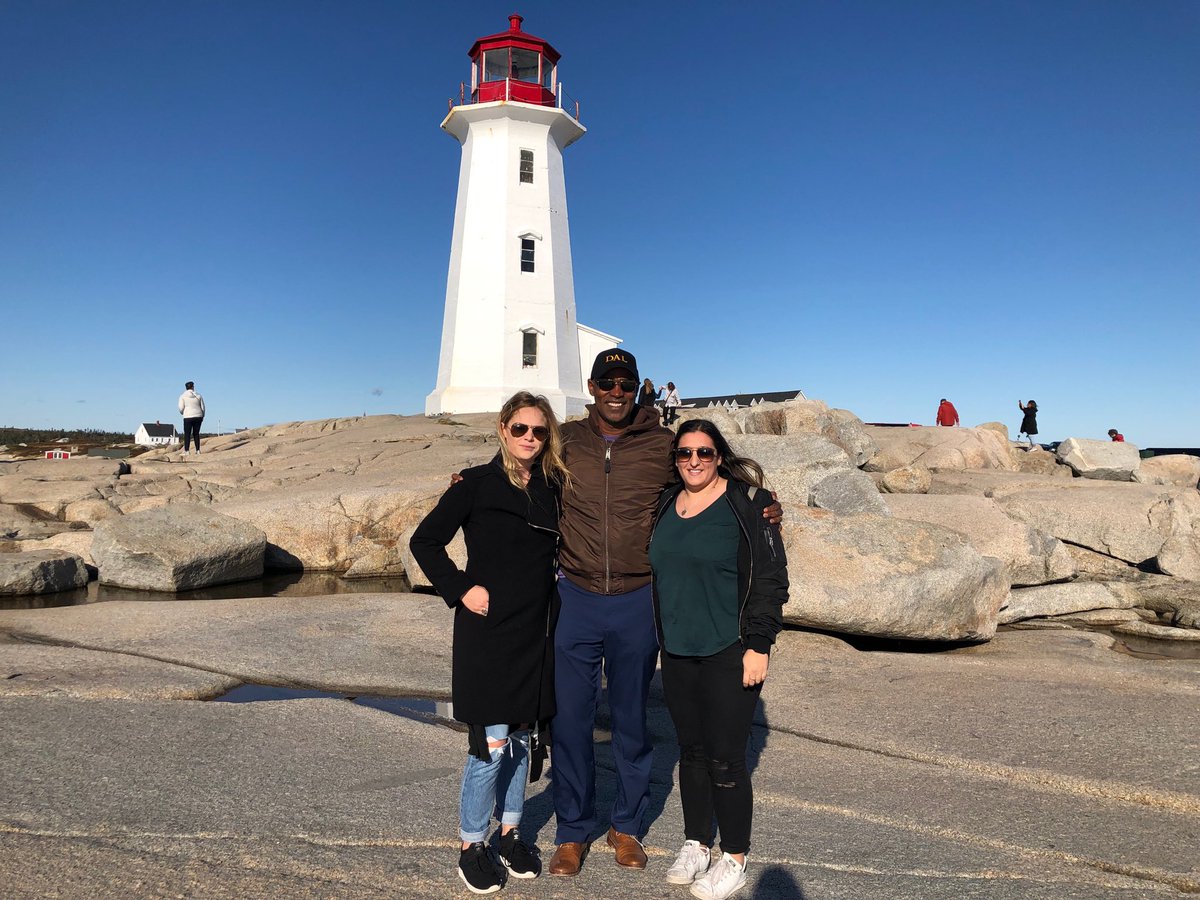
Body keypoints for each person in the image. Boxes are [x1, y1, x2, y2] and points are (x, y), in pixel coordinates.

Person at [547, 349, 780, 879]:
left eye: (625, 382)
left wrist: (763, 505)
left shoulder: (661, 444)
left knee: (630, 720)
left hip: (635, 600)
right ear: (591, 385)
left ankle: (625, 826)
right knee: (570, 721)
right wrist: (468, 482)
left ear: (636, 388)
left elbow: (708, 487)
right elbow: (520, 470)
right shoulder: (565, 439)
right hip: (577, 597)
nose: (616, 390)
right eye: (606, 381)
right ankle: (571, 830)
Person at [409, 391, 570, 894]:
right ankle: (471, 844)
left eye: (539, 431)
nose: (529, 438)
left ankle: (509, 832)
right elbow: (424, 541)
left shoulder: (554, 485)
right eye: (520, 428)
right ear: (503, 428)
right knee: (490, 744)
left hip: (536, 630)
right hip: (489, 630)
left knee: (522, 739)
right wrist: (460, 588)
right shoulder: (475, 483)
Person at [650, 419, 788, 900]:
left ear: (719, 455)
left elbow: (771, 581)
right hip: (679, 650)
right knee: (691, 753)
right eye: (684, 453)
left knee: (727, 760)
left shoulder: (749, 504)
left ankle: (735, 857)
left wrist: (759, 644)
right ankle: (697, 843)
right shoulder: (666, 502)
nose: (693, 461)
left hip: (730, 649)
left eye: (704, 453)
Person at [178, 382, 205, 455]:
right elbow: (203, 407)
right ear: (193, 387)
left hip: (187, 416)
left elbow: (180, 408)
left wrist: (183, 413)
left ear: (186, 387)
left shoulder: (182, 396)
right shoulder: (198, 395)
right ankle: (198, 450)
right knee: (196, 434)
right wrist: (202, 416)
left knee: (187, 434)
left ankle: (187, 451)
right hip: (198, 416)